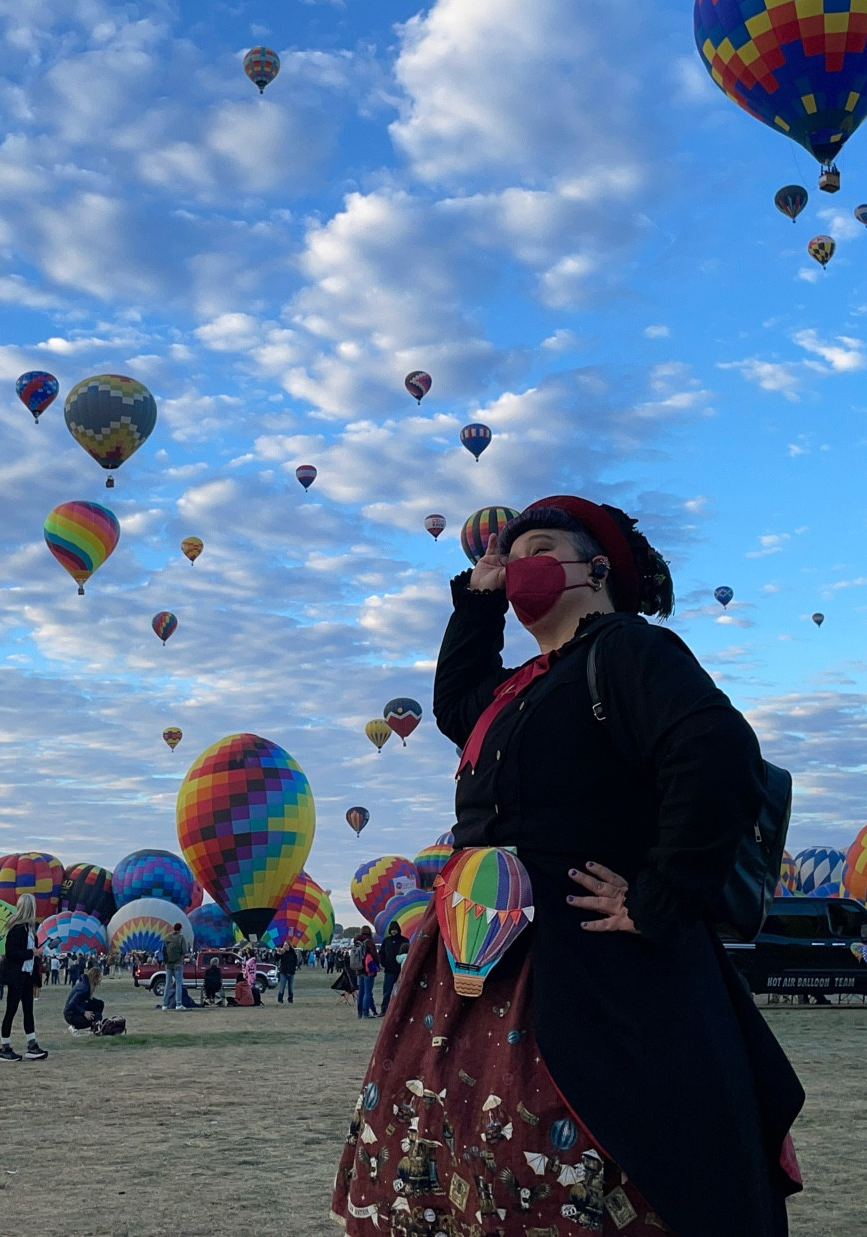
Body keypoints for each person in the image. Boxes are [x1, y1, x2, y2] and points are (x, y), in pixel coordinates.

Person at [333, 495, 804, 1237]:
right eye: (508, 555)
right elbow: (456, 703)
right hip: (478, 952)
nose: (517, 565)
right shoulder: (522, 687)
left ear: (596, 568)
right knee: (466, 1145)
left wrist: (662, 894)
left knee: (582, 1145)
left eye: (539, 548)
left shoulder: (627, 649)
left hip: (580, 957)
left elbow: (717, 753)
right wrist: (477, 604)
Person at [0, 898, 47, 1062]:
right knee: (11, 1010)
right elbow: (11, 953)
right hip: (16, 976)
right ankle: (5, 1047)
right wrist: (30, 952)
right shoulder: (17, 929)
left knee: (28, 1010)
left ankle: (32, 1044)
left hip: (27, 975)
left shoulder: (30, 930)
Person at [64, 967, 106, 1034]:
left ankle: (94, 1028)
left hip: (78, 1007)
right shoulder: (84, 988)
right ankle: (75, 1026)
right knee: (98, 1016)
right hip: (71, 1015)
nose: (101, 979)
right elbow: (72, 1004)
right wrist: (84, 1012)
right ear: (95, 978)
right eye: (100, 978)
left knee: (99, 1004)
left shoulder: (87, 984)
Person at [160, 922, 189, 1011]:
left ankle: (164, 1004)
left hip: (168, 964)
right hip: (178, 963)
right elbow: (184, 951)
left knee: (168, 983)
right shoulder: (181, 938)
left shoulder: (167, 938)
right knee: (178, 983)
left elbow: (163, 949)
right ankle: (178, 1004)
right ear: (180, 929)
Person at [380, 921, 406, 1005]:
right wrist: (384, 963)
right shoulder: (386, 941)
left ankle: (400, 1008)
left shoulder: (404, 940)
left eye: (395, 930)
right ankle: (384, 1009)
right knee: (387, 991)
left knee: (401, 990)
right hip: (389, 970)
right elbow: (381, 953)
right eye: (392, 930)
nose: (393, 931)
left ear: (398, 930)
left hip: (401, 970)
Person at [354, 930, 377, 1018]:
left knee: (361, 992)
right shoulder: (369, 942)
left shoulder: (357, 942)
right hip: (368, 970)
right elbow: (374, 955)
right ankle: (366, 1013)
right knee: (368, 992)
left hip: (359, 969)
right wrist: (377, 965)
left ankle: (360, 1013)